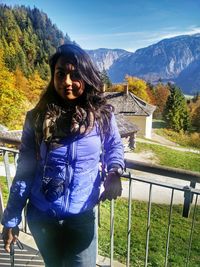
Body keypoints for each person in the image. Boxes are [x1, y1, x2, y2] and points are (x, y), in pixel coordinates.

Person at [1, 43, 124, 267]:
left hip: (82, 215)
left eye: (75, 74)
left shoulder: (102, 115)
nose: (66, 82)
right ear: (53, 77)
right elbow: (25, 171)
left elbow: (114, 146)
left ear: (86, 77)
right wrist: (11, 218)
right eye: (60, 74)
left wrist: (114, 170)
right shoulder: (37, 118)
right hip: (42, 217)